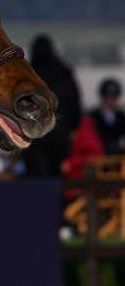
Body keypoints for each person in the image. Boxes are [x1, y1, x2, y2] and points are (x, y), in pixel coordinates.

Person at [21, 35, 81, 177]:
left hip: (34, 137)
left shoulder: (28, 75)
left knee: (35, 177)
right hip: (59, 136)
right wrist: (73, 127)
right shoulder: (64, 73)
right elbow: (75, 105)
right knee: (57, 176)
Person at [64, 77, 125, 179]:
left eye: (113, 97)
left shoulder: (121, 117)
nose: (110, 101)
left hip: (116, 157)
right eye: (107, 97)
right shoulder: (93, 116)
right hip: (97, 158)